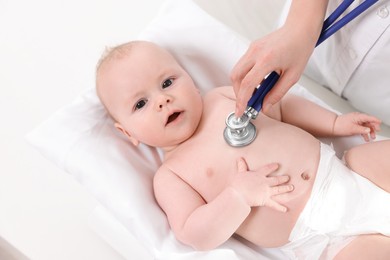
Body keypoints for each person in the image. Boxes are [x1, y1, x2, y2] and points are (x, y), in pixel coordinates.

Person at [95, 40, 390, 259]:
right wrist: (237, 196)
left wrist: (335, 123)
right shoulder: (171, 176)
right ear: (127, 132)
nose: (162, 100)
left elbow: (283, 107)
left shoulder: (223, 98)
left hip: (346, 173)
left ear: (191, 82)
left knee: (373, 156)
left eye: (168, 82)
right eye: (140, 104)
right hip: (321, 240)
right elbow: (194, 233)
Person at [231, 0, 390, 126]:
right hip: (298, 49)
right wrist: (299, 25)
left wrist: (336, 124)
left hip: (378, 103)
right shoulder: (219, 100)